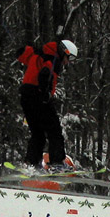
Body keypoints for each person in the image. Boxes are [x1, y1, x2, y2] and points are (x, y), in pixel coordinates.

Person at [16, 39, 78, 172]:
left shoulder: (39, 53)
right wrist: (46, 92)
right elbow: (45, 73)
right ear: (64, 52)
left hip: (25, 96)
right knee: (54, 129)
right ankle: (57, 163)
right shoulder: (53, 59)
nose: (68, 62)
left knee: (38, 133)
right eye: (69, 58)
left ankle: (31, 164)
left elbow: (22, 54)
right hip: (38, 95)